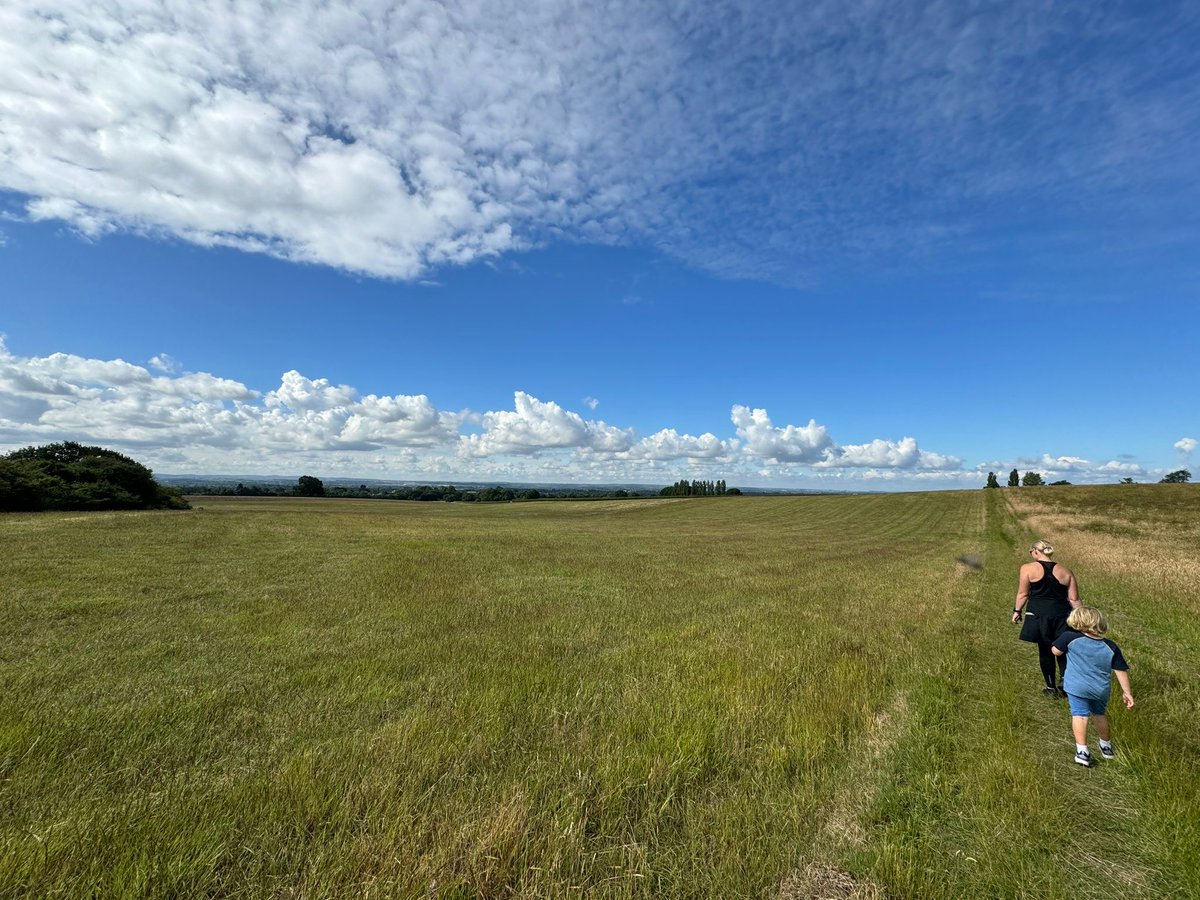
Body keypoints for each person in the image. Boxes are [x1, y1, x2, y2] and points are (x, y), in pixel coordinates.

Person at [1051, 606, 1134, 766]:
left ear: (1076, 622)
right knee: (1099, 714)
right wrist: (1127, 692)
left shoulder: (1069, 637)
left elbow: (1055, 651)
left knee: (1080, 715)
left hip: (1077, 687)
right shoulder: (1111, 646)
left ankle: (1082, 752)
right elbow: (1120, 669)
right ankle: (1106, 747)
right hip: (1100, 689)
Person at [1012, 539, 1080, 697]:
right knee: (1062, 648)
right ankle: (1065, 681)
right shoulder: (1066, 571)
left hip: (1039, 615)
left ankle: (1050, 688)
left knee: (1045, 650)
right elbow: (1074, 599)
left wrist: (1017, 611)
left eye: (1031, 552)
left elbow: (1023, 593)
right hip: (1063, 615)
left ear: (1036, 551)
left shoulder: (1027, 568)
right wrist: (1082, 619)